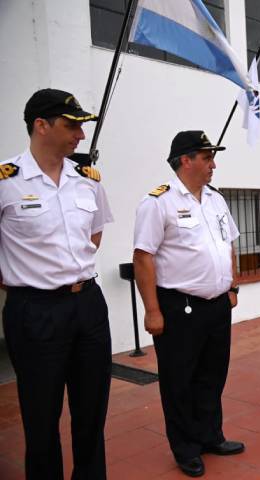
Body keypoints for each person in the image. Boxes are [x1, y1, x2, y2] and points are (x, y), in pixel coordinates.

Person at [0, 88, 113, 478]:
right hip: (35, 311)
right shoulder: (5, 180)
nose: (80, 136)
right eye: (71, 126)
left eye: (82, 128)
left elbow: (93, 236)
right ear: (41, 126)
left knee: (91, 412)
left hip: (88, 305)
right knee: (40, 417)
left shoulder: (88, 179)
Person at [133, 131, 244, 477]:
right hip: (179, 306)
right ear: (185, 160)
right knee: (179, 380)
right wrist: (152, 310)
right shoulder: (158, 202)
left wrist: (232, 285)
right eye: (207, 157)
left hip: (216, 306)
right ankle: (186, 447)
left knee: (213, 375)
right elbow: (143, 257)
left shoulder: (215, 199)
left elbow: (229, 243)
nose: (213, 164)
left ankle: (210, 436)